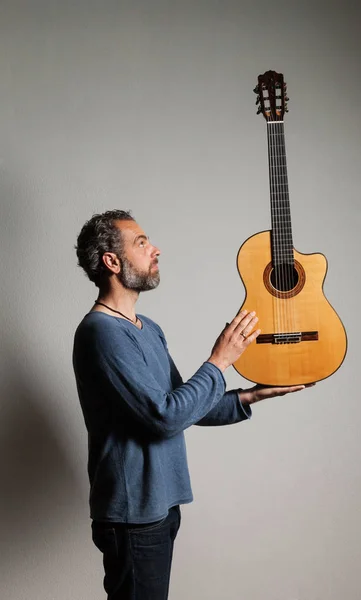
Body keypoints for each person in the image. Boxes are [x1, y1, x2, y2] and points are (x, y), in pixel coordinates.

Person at [72, 209, 309, 600]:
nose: (156, 250)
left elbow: (183, 406)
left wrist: (252, 394)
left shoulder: (147, 327)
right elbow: (164, 419)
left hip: (162, 505)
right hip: (134, 516)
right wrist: (220, 360)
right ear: (112, 262)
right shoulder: (101, 332)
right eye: (142, 243)